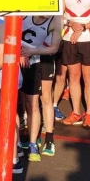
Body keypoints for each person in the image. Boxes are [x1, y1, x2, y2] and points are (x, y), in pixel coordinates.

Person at [19, 15, 62, 160]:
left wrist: (32, 51)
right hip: (26, 58)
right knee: (29, 101)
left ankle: (49, 139)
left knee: (46, 97)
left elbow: (54, 48)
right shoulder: (27, 12)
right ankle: (33, 135)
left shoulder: (56, 19)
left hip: (44, 57)